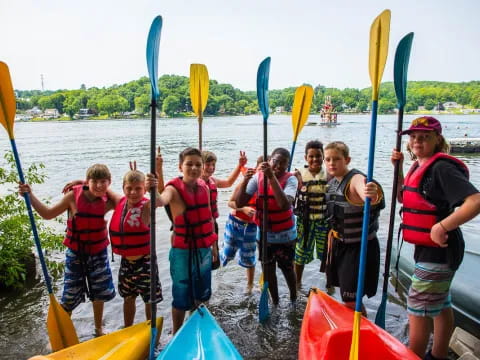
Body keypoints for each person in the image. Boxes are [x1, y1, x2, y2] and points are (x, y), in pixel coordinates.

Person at [391, 116, 480, 360]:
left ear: (437, 139)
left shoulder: (441, 168)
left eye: (424, 137)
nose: (417, 141)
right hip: (429, 248)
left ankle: (415, 356)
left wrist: (442, 225)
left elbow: (475, 201)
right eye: (413, 137)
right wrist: (398, 168)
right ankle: (439, 355)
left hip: (441, 248)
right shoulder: (420, 165)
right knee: (441, 303)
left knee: (417, 308)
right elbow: (403, 198)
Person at [18, 164, 117, 336]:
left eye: (104, 182)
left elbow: (124, 200)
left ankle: (98, 329)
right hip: (76, 253)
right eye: (95, 181)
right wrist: (30, 195)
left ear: (109, 182)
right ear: (88, 182)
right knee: (69, 296)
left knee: (99, 293)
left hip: (98, 253)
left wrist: (83, 181)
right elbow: (47, 214)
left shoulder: (108, 201)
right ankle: (62, 333)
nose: (99, 186)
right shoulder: (73, 197)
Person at [154, 147, 218, 334]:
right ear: (180, 167)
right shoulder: (172, 189)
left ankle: (197, 329)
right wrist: (156, 176)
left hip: (204, 248)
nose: (194, 168)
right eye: (189, 164)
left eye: (198, 164)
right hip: (182, 251)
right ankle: (176, 333)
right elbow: (160, 201)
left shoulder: (204, 188)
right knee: (181, 295)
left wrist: (213, 245)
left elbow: (210, 219)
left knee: (202, 292)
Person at [323, 141, 384, 314]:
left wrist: (369, 191)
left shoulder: (355, 179)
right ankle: (355, 328)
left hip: (358, 248)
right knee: (347, 296)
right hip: (340, 245)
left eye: (336, 159)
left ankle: (360, 331)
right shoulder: (334, 181)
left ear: (347, 159)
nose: (331, 163)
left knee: (350, 300)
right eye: (327, 159)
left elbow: (363, 187)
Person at [235, 147, 298, 306]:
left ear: (287, 165)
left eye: (283, 164)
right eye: (275, 162)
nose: (278, 166)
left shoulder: (291, 180)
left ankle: (293, 298)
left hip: (286, 236)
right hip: (264, 235)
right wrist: (245, 181)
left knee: (287, 269)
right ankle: (275, 302)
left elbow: (284, 204)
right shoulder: (258, 177)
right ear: (269, 161)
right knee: (269, 272)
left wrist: (271, 178)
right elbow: (239, 203)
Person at [108, 162, 163, 328]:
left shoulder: (147, 205)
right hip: (126, 263)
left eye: (138, 189)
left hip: (145, 262)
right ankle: (128, 328)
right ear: (123, 188)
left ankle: (151, 329)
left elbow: (160, 201)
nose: (133, 192)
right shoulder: (120, 202)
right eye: (129, 188)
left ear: (144, 190)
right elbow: (103, 188)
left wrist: (155, 184)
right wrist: (81, 182)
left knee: (149, 299)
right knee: (128, 298)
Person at [221, 156, 264, 291]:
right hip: (235, 224)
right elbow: (230, 202)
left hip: (251, 228)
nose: (261, 173)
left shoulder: (267, 187)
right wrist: (242, 208)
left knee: (249, 258)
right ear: (256, 168)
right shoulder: (245, 184)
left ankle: (250, 285)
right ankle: (217, 273)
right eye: (260, 169)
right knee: (227, 254)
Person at [201, 150, 247, 270]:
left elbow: (228, 183)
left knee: (213, 260)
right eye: (208, 164)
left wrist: (240, 166)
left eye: (213, 165)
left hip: (212, 224)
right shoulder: (194, 183)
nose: (211, 168)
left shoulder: (213, 181)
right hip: (201, 226)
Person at [292, 140, 328, 290]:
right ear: (306, 157)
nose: (315, 159)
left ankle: (329, 284)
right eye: (311, 156)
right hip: (304, 222)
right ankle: (297, 282)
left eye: (318, 156)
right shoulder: (297, 175)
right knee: (300, 253)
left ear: (323, 156)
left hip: (324, 222)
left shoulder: (330, 174)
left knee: (326, 254)